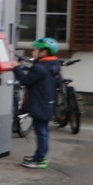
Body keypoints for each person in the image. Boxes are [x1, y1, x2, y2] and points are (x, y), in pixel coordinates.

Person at [14, 37, 62, 169]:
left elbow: (26, 81)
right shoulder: (54, 65)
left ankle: (40, 159)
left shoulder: (40, 68)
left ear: (44, 52)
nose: (32, 52)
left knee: (41, 132)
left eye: (35, 50)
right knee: (43, 131)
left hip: (39, 103)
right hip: (47, 102)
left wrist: (16, 68)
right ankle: (38, 156)